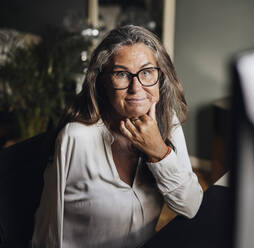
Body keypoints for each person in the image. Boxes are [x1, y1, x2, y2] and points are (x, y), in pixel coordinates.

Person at [32, 25, 203, 248]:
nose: (136, 87)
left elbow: (190, 206)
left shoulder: (165, 120)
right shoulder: (75, 138)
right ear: (102, 81)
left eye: (147, 72)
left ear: (160, 77)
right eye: (121, 74)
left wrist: (159, 152)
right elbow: (48, 233)